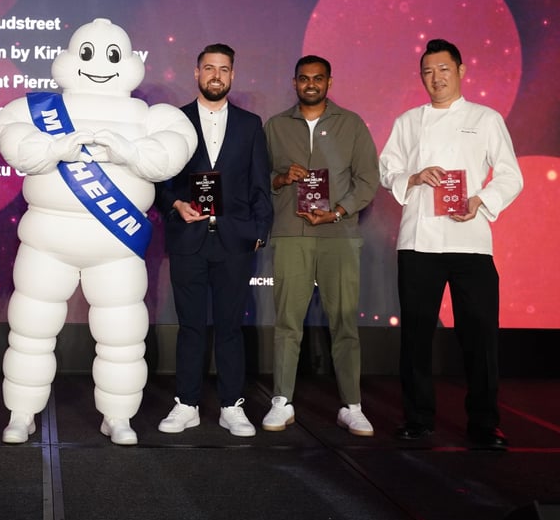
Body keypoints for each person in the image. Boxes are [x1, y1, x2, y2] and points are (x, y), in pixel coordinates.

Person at [0, 18, 196, 446]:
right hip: (47, 241)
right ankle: (21, 413)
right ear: (69, 57)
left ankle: (118, 417)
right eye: (87, 53)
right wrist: (53, 148)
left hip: (117, 249)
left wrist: (130, 151)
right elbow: (11, 138)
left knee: (122, 338)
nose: (99, 63)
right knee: (30, 331)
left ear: (130, 63)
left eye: (111, 55)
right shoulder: (34, 108)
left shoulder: (153, 117)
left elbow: (172, 153)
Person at [379, 38, 523, 449]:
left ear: (461, 71)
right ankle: (418, 416)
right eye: (427, 71)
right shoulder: (409, 121)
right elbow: (387, 167)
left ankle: (484, 421)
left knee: (479, 335)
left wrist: (482, 200)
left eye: (443, 69)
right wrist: (413, 176)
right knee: (417, 334)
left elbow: (511, 175)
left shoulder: (486, 118)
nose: (435, 78)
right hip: (419, 241)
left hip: (471, 242)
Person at [156, 43, 273, 438]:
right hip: (188, 237)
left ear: (233, 76)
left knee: (228, 327)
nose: (216, 76)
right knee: (190, 326)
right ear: (197, 73)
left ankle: (231, 405)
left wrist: (259, 231)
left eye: (224, 69)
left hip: (234, 241)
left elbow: (260, 185)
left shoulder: (250, 124)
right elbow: (161, 179)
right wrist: (175, 203)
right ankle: (186, 404)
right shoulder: (175, 121)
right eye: (209, 68)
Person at [261, 55, 379, 436]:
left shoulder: (352, 124)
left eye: (318, 78)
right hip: (290, 232)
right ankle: (282, 400)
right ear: (294, 82)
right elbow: (258, 178)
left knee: (344, 322)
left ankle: (352, 405)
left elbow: (367, 180)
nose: (311, 84)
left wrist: (339, 212)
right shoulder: (276, 126)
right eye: (304, 79)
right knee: (287, 323)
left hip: (338, 235)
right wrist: (281, 179)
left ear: (329, 82)